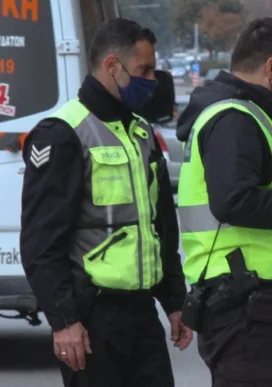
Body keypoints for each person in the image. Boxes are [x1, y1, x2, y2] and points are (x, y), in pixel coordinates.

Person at [20, 18, 192, 387]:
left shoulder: (141, 133)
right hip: (93, 318)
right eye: (144, 69)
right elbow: (41, 243)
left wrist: (175, 301)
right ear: (112, 66)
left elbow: (159, 227)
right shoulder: (64, 133)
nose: (151, 79)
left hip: (142, 316)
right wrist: (64, 320)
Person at [175, 17, 272, 386]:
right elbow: (234, 202)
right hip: (241, 301)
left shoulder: (237, 114)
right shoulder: (233, 118)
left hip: (245, 299)